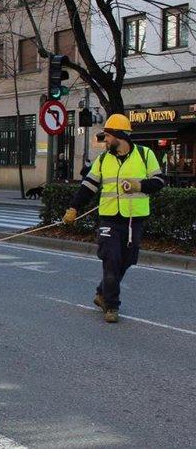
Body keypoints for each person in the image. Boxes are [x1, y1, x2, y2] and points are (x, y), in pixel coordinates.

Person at [63, 114, 165, 323]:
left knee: (127, 260)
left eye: (108, 136)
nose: (105, 140)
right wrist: (73, 208)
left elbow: (160, 181)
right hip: (109, 218)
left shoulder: (145, 155)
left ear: (119, 136)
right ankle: (111, 305)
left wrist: (139, 186)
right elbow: (88, 187)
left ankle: (102, 293)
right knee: (111, 260)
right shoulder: (102, 159)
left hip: (134, 219)